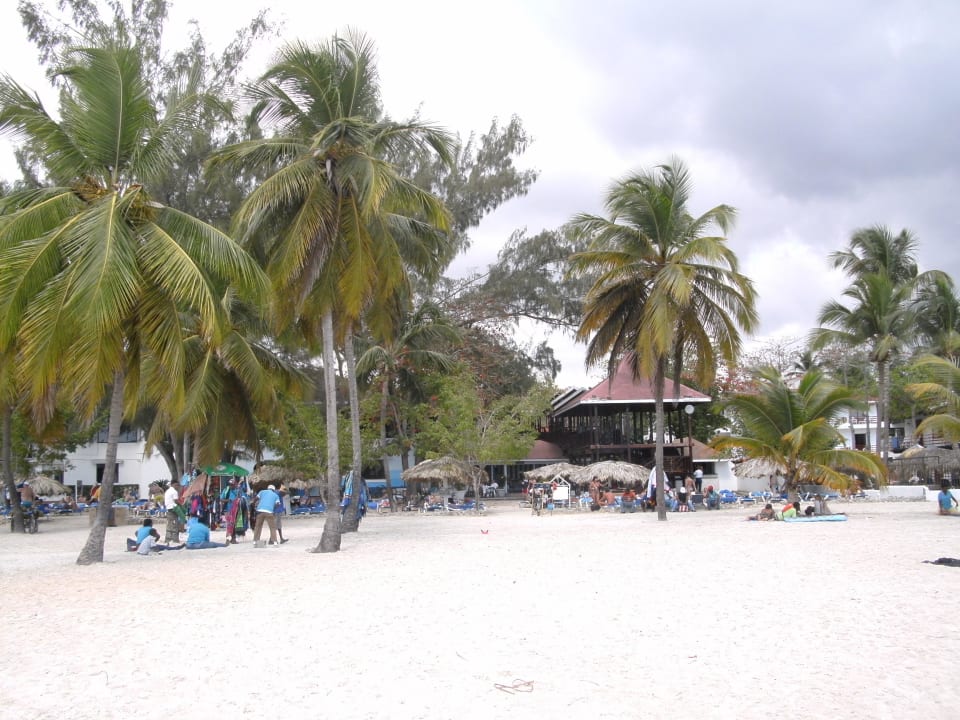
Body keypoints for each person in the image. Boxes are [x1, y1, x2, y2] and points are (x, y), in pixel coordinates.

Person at [164, 479, 184, 544]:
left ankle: (167, 539)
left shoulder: (167, 491)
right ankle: (175, 539)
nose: (177, 486)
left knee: (169, 523)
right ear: (173, 484)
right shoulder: (174, 491)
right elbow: (176, 501)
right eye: (176, 485)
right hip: (174, 508)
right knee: (175, 523)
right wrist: (181, 505)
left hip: (168, 509)